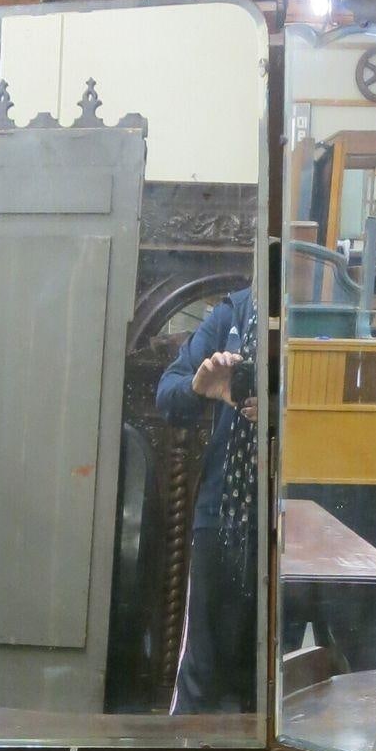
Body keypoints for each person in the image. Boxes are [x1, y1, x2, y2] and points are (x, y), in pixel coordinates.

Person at [155, 287, 260, 714]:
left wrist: (281, 410)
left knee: (279, 675)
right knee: (201, 670)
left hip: (296, 519)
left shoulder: (325, 308)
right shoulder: (232, 313)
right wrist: (200, 387)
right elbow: (168, 394)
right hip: (223, 512)